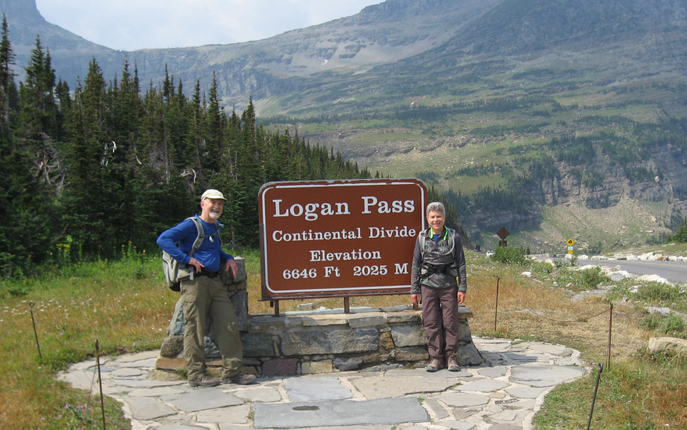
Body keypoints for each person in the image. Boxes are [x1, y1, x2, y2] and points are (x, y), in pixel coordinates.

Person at [157, 189, 256, 387]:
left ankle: (232, 372)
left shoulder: (214, 227)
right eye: (213, 202)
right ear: (203, 203)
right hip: (194, 282)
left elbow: (214, 249)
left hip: (215, 281)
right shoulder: (190, 225)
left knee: (228, 323)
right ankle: (196, 375)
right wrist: (186, 259)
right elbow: (163, 239)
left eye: (220, 203)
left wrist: (227, 258)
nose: (217, 206)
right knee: (195, 328)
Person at [410, 201, 467, 372]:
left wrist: (462, 287)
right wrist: (414, 289)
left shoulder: (453, 237)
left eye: (439, 217)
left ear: (444, 217)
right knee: (431, 322)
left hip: (449, 285)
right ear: (427, 219)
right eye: (433, 217)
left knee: (450, 322)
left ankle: (451, 358)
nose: (436, 220)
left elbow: (461, 263)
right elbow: (415, 264)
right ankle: (435, 358)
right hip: (427, 285)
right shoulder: (421, 238)